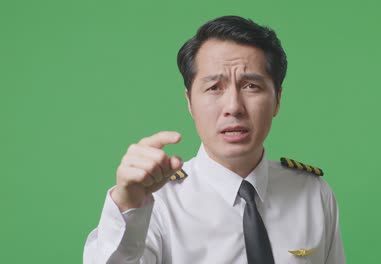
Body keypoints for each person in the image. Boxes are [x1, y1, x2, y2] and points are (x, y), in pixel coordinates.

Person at [83, 15, 345, 264]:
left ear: (277, 99)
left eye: (251, 86)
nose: (233, 106)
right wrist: (128, 205)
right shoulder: (156, 201)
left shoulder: (313, 193)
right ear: (190, 103)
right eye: (213, 88)